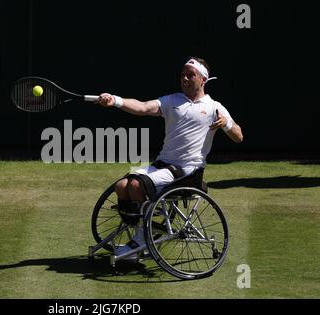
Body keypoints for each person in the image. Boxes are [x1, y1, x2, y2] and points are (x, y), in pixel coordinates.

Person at [95, 57, 243, 258]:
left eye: (191, 75)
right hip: (162, 166)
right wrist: (115, 100)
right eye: (182, 74)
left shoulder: (214, 107)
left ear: (203, 80)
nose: (184, 78)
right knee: (122, 186)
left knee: (136, 186)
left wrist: (226, 124)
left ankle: (142, 238)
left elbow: (238, 136)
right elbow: (143, 107)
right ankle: (147, 229)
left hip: (188, 172)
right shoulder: (172, 100)